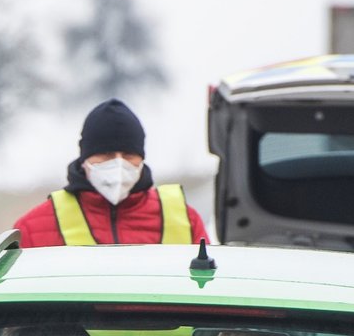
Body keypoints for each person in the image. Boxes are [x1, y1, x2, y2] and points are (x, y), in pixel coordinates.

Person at [13, 98, 209, 247]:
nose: (118, 164)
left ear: (142, 158)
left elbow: (209, 289)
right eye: (106, 155)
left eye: (129, 154)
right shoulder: (33, 228)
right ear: (85, 159)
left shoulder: (184, 220)